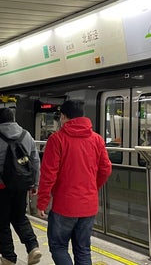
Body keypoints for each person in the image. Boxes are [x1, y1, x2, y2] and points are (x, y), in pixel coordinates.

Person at [37, 100, 113, 265]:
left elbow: (48, 175)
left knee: (58, 246)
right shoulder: (97, 139)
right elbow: (106, 169)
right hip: (88, 205)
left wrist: (42, 202)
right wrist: (92, 187)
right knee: (83, 248)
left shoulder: (56, 140)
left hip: (64, 206)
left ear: (63, 117)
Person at [0, 108, 42, 265]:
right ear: (13, 119)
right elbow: (35, 161)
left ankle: (8, 258)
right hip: (21, 186)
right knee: (20, 217)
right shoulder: (26, 135)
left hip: (1, 188)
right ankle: (33, 247)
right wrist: (35, 183)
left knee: (2, 223)